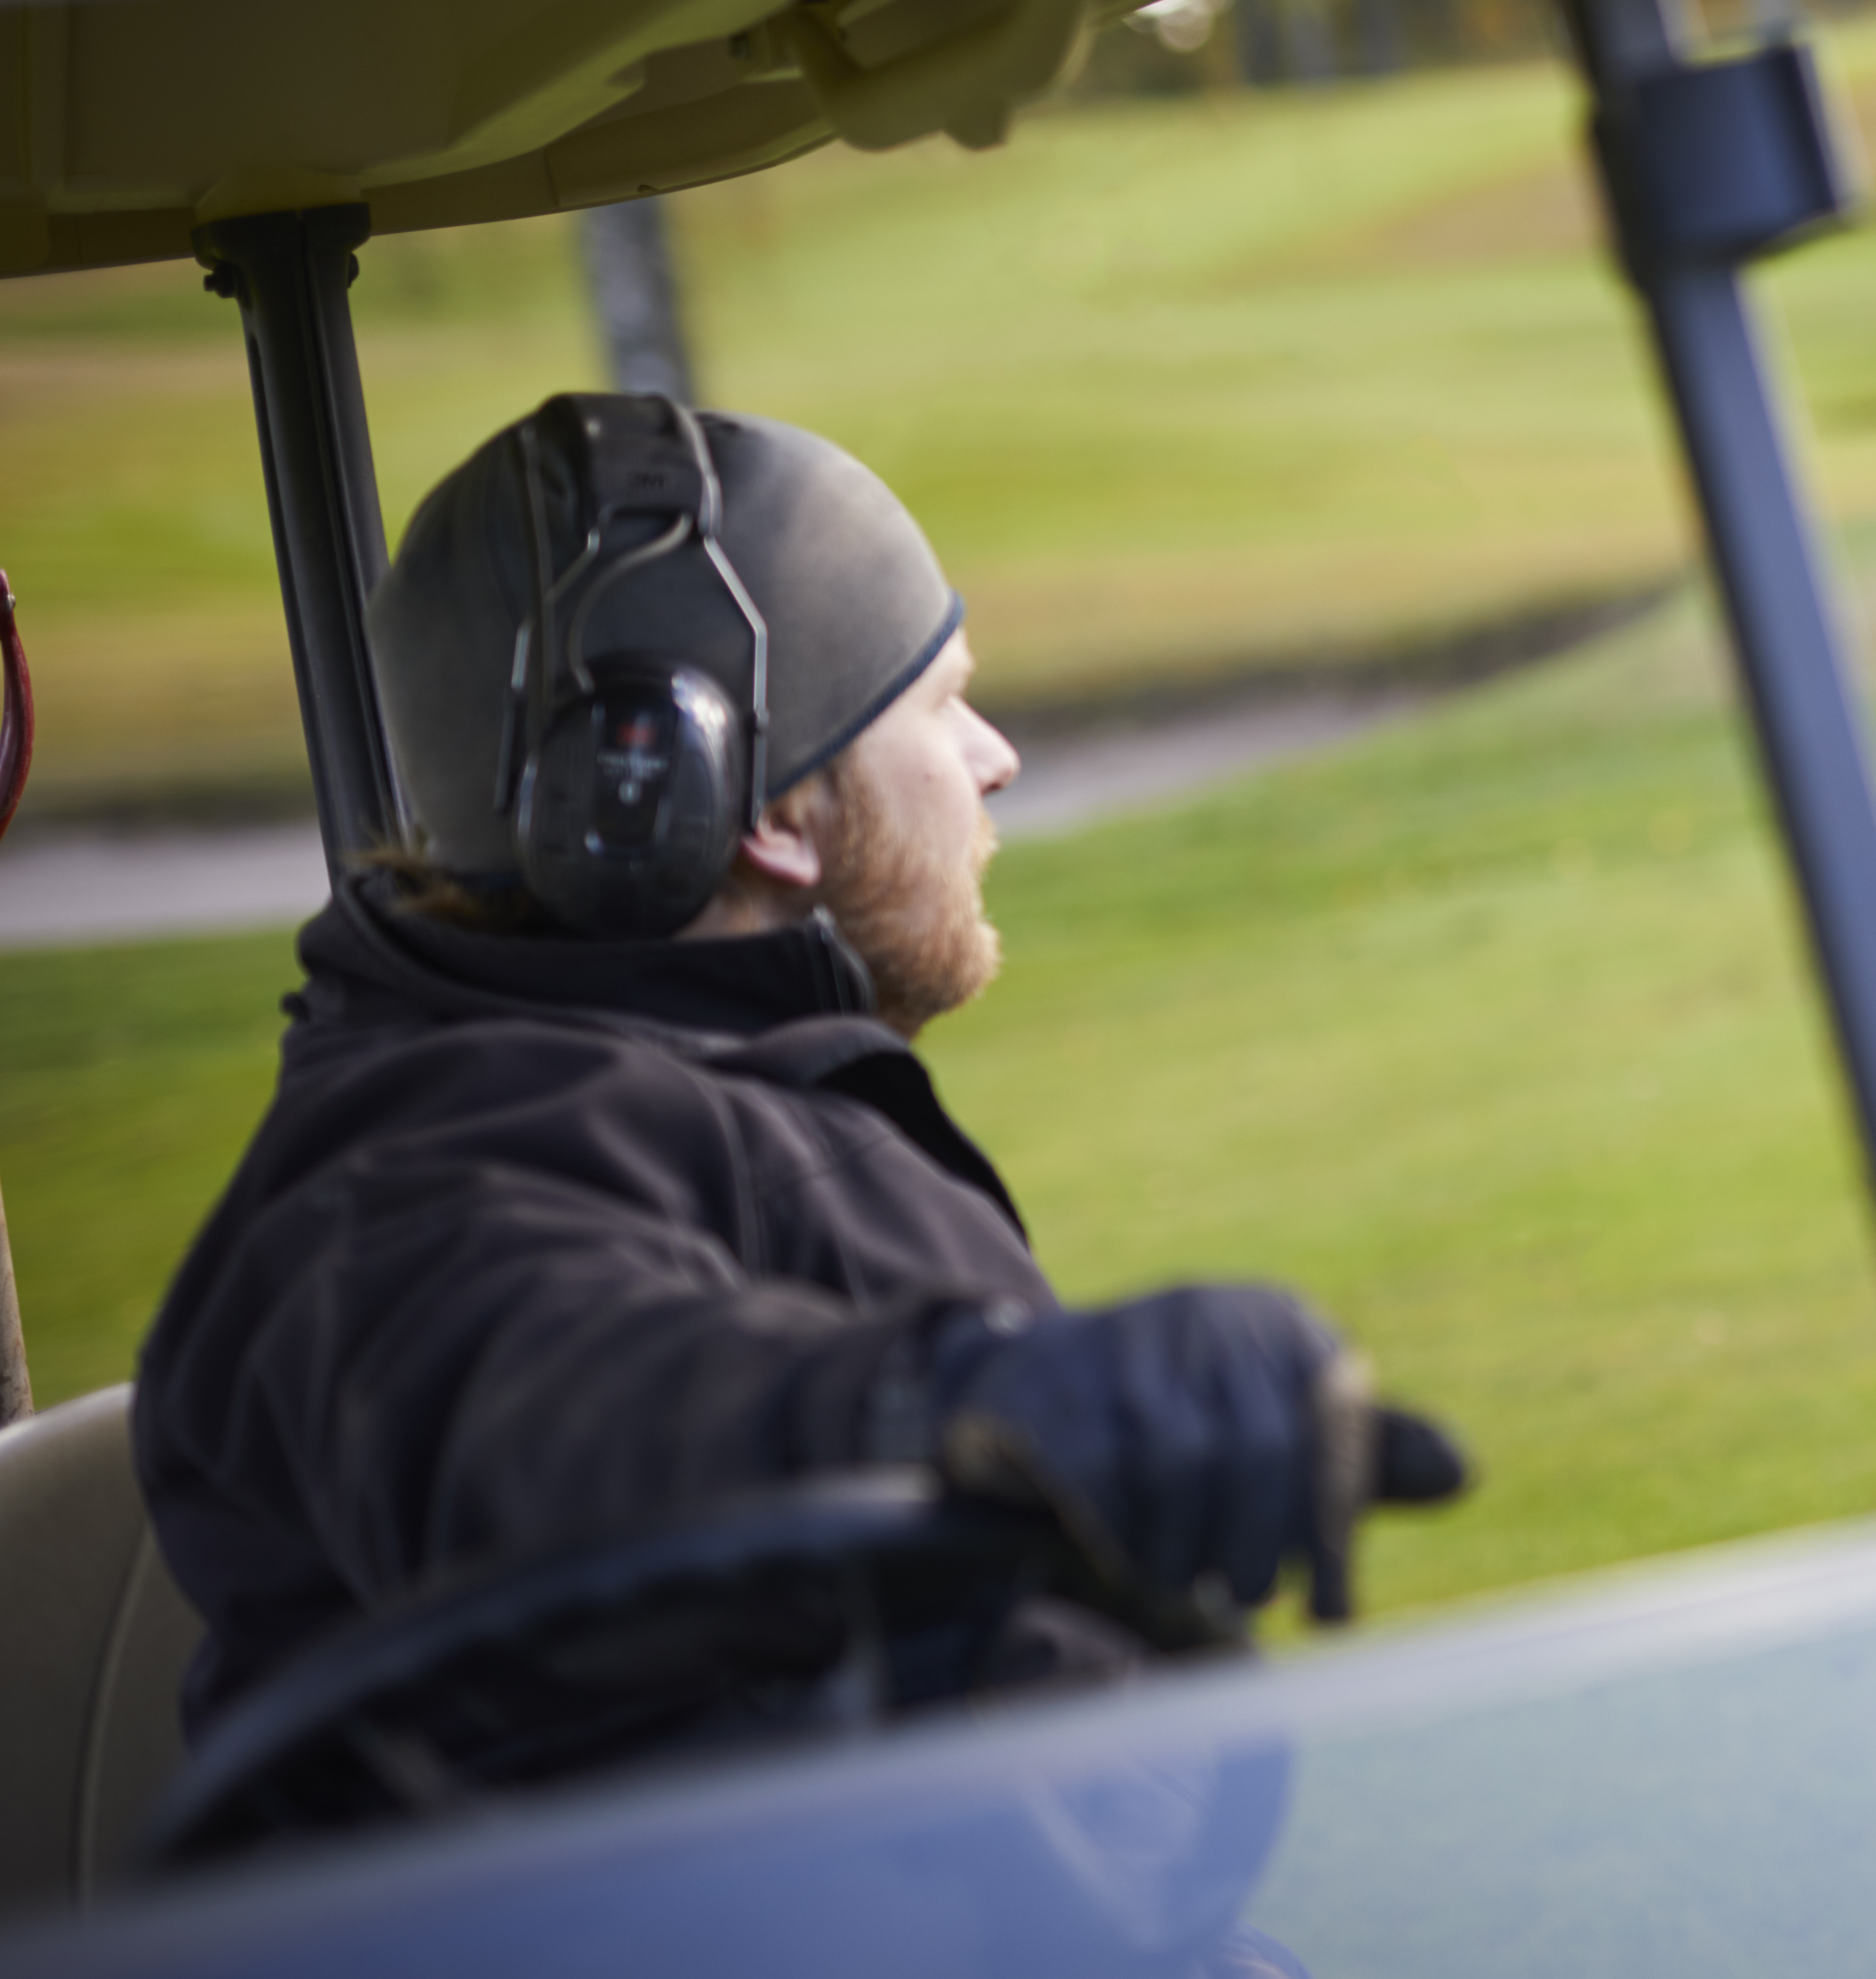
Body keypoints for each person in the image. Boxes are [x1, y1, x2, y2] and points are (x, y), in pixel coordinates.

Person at [136, 394, 1409, 1753]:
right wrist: (949, 1403)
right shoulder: (409, 1175)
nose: (996, 761)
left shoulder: (692, 1085)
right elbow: (544, 1406)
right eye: (941, 705)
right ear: (771, 812)